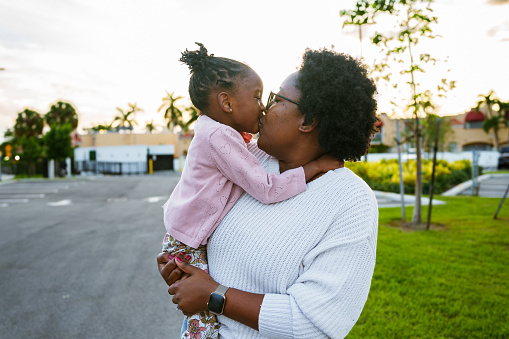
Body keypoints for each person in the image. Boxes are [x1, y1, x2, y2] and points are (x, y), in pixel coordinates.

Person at [158, 47, 380, 339]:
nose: (264, 108)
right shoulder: (250, 162)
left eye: (275, 99)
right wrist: (182, 269)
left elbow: (314, 324)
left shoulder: (351, 202)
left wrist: (214, 295)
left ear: (308, 121)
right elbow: (196, 211)